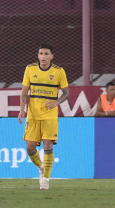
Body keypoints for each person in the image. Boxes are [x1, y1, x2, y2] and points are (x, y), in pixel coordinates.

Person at [18, 44, 69, 190]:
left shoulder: (59, 71)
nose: (43, 56)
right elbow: (24, 92)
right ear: (38, 55)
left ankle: (45, 179)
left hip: (50, 114)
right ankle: (41, 167)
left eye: (46, 54)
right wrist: (22, 110)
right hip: (33, 115)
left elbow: (66, 93)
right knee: (29, 148)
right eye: (41, 53)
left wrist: (57, 102)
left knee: (48, 144)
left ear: (52, 56)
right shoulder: (30, 69)